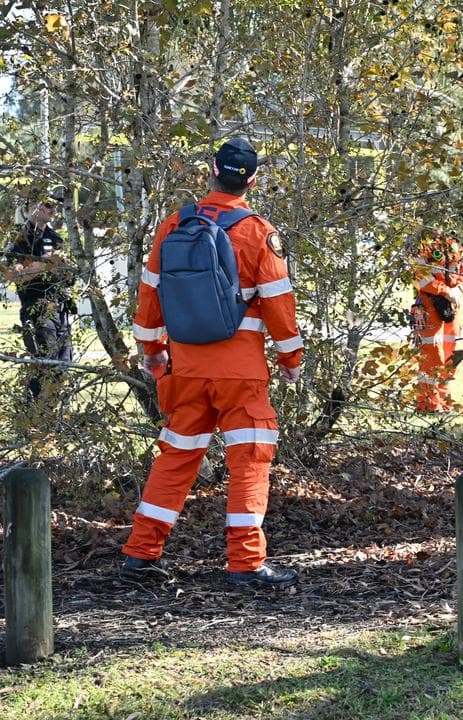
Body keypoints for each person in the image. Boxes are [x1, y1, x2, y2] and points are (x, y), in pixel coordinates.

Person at [120, 138, 304, 588]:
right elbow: (279, 304)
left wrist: (153, 351)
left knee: (176, 458)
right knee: (250, 462)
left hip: (186, 367)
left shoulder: (174, 224)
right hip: (241, 373)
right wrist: (291, 358)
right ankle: (246, 564)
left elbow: (149, 296)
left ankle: (141, 554)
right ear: (253, 180)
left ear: (211, 171)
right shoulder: (259, 231)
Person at [5, 196, 74, 403]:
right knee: (45, 362)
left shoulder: (56, 237)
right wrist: (45, 264)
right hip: (37, 307)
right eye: (46, 204)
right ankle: (31, 413)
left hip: (61, 306)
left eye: (53, 205)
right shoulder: (20, 238)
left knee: (64, 364)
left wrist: (64, 267)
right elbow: (13, 274)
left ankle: (53, 418)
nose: (51, 209)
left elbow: (69, 277)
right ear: (29, 208)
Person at [411, 230, 463, 413]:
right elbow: (419, 277)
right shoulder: (422, 244)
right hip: (429, 306)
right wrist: (446, 291)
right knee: (431, 355)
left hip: (451, 309)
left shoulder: (454, 245)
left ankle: (443, 403)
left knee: (450, 359)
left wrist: (458, 289)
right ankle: (428, 403)